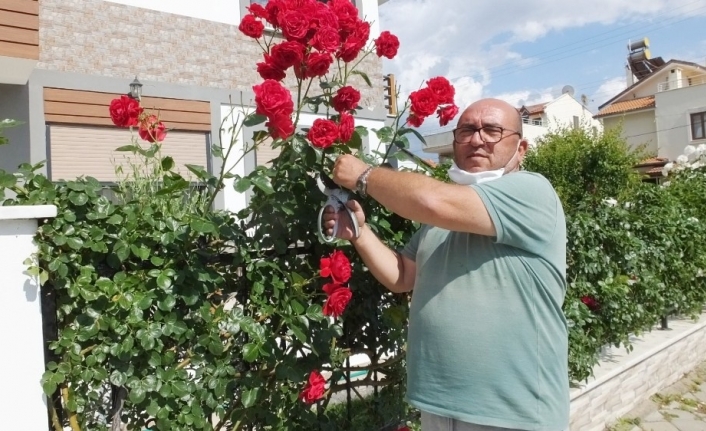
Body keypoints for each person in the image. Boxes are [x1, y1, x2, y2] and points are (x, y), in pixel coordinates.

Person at [322, 98, 569, 431]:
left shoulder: (532, 191)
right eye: (466, 130)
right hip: (439, 404)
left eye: (492, 130)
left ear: (521, 148)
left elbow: (432, 200)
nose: (477, 139)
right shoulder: (444, 215)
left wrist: (363, 175)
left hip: (512, 412)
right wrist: (359, 233)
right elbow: (403, 275)